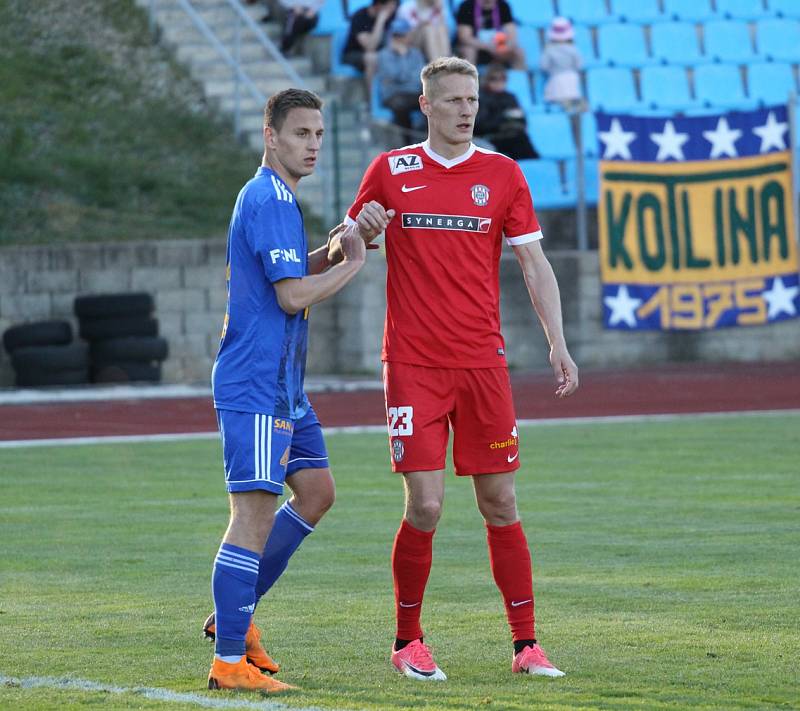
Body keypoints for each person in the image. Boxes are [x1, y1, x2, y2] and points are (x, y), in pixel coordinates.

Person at [345, 57, 578, 681]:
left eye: (471, 98)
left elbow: (533, 265)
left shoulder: (502, 174)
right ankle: (407, 641)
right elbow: (352, 242)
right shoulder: (391, 171)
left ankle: (527, 646)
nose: (466, 109)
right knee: (425, 506)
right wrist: (360, 230)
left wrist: (558, 342)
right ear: (426, 106)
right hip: (415, 364)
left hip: (483, 364)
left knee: (501, 501)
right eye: (451, 100)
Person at [205, 88, 370, 692]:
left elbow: (294, 269)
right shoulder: (269, 196)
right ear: (271, 136)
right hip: (256, 383)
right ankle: (228, 661)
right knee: (251, 515)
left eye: (320, 135)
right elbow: (291, 294)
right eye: (302, 134)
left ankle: (236, 617)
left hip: (285, 387)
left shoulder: (277, 199)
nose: (314, 145)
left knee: (317, 492)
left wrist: (336, 248)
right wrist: (352, 266)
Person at [377, 18, 427, 145]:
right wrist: (403, 57)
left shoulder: (416, 54)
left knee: (431, 102)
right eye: (396, 35)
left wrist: (403, 77)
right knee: (400, 105)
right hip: (393, 95)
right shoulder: (383, 55)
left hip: (412, 93)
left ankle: (427, 139)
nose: (398, 38)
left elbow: (418, 77)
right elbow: (392, 74)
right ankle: (408, 144)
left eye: (401, 35)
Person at [474, 63, 539, 160]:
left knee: (520, 138)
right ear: (487, 80)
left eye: (502, 78)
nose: (499, 82)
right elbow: (480, 125)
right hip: (490, 137)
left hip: (511, 134)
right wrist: (503, 118)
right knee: (519, 141)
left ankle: (532, 166)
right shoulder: (480, 98)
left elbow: (522, 121)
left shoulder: (510, 97)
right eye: (494, 78)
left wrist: (512, 122)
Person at [342, 0, 399, 98]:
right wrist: (380, 21)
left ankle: (392, 96)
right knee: (373, 58)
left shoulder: (391, 17)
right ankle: (373, 101)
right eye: (390, 7)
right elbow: (370, 47)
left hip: (378, 54)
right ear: (378, 5)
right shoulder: (360, 16)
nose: (393, 10)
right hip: (353, 54)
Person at [455, 0, 525, 70]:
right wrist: (488, 47)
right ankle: (470, 78)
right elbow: (464, 37)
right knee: (468, 51)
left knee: (518, 52)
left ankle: (519, 79)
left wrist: (505, 47)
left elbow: (512, 35)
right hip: (477, 47)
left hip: (498, 47)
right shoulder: (467, 6)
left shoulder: (503, 5)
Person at [540, 17, 584, 111]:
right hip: (572, 78)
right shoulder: (573, 49)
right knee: (571, 97)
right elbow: (579, 65)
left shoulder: (549, 49)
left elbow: (544, 66)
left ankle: (567, 107)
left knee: (560, 100)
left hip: (557, 78)